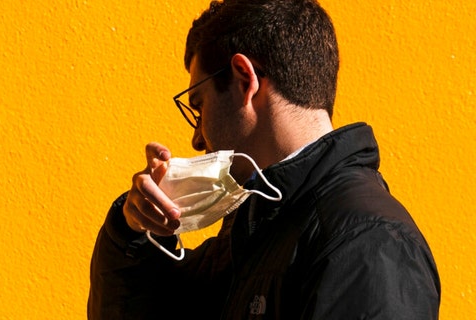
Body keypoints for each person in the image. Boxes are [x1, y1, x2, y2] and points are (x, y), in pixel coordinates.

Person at [88, 0, 441, 319]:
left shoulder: (369, 244)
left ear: (245, 79)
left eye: (199, 106)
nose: (196, 139)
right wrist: (133, 230)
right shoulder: (255, 233)